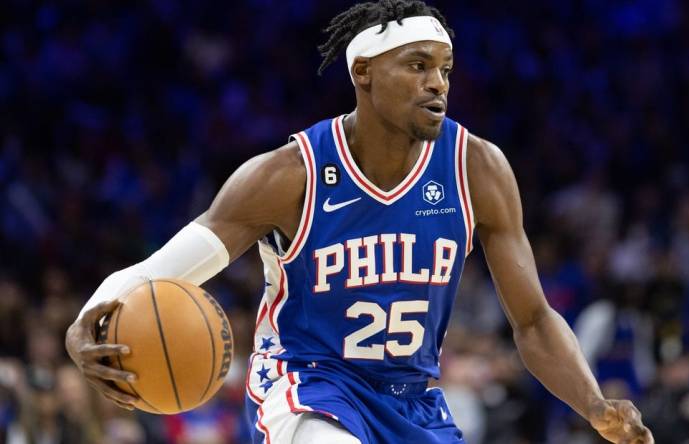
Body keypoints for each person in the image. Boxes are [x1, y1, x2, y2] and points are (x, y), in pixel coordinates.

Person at [65, 1, 654, 443]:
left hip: (413, 397)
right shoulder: (289, 174)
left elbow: (532, 320)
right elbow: (157, 272)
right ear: (364, 73)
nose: (437, 83)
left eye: (446, 68)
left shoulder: (476, 167)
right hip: (308, 384)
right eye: (418, 65)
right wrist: (84, 324)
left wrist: (595, 404)